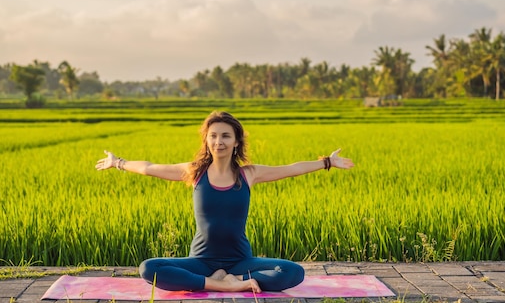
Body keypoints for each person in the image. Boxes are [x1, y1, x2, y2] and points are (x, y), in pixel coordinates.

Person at [95, 111, 354, 293]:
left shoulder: (249, 174)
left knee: (293, 272)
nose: (219, 141)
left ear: (236, 141)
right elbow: (149, 167)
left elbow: (289, 168)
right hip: (201, 261)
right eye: (214, 136)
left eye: (226, 136)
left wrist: (327, 162)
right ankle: (222, 284)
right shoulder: (194, 172)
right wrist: (118, 163)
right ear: (206, 140)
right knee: (149, 268)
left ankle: (233, 279)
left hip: (240, 261)